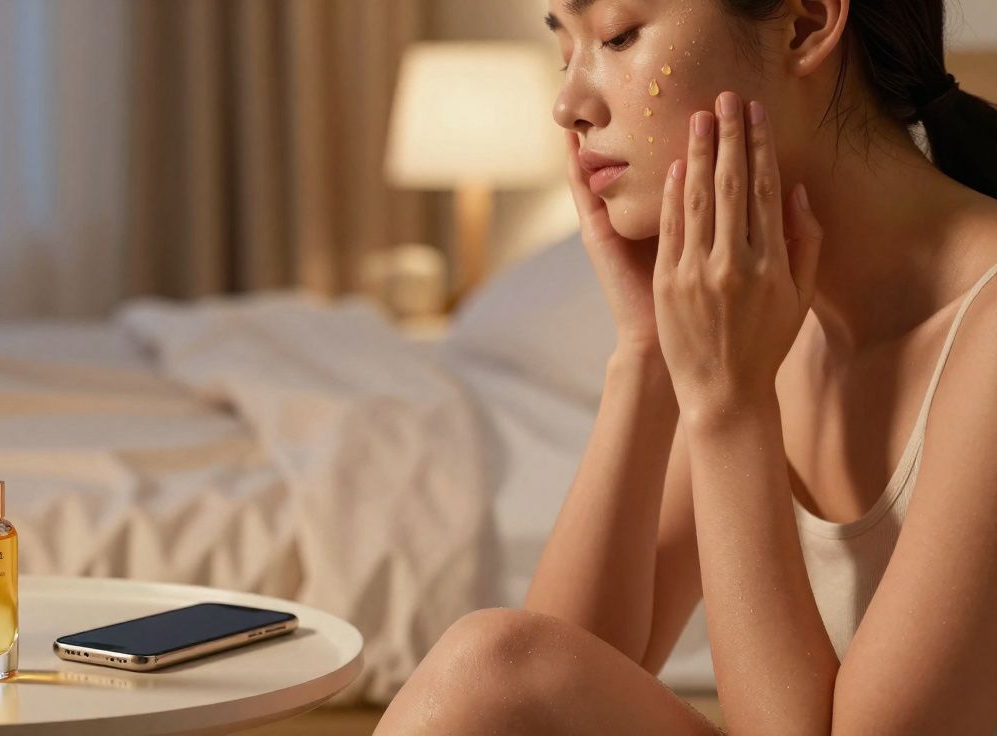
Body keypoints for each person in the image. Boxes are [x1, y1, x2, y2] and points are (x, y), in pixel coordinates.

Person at [374, 0, 997, 732]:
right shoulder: (767, 316)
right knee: (485, 662)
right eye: (564, 50)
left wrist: (729, 408)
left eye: (616, 36)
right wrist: (645, 356)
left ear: (805, 23)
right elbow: (543, 682)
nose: (568, 104)